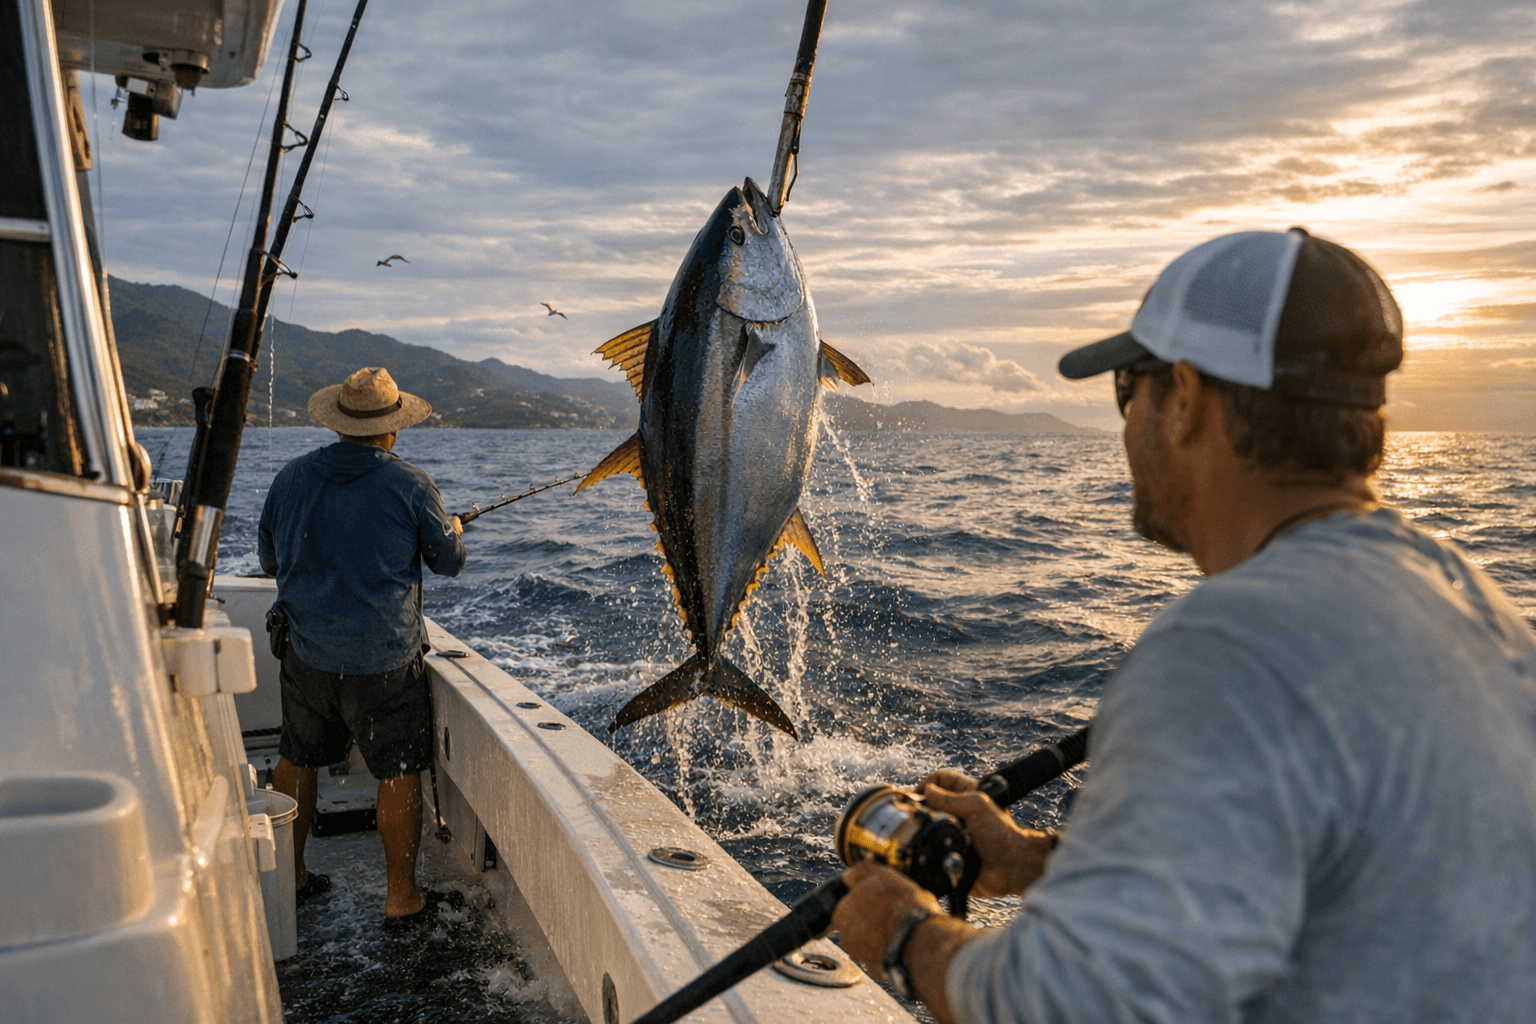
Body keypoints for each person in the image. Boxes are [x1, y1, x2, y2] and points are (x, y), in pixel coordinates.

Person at [832, 228, 1536, 1022]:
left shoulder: (1230, 646)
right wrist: (1035, 861)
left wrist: (903, 934)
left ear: (1189, 400)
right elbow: (1354, 882)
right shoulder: (1474, 605)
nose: (1125, 426)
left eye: (1127, 390)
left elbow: (1075, 1007)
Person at [259, 366, 467, 921]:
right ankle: (401, 897)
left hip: (305, 656)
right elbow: (448, 562)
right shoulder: (411, 485)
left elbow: (268, 561)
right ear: (392, 428)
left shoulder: (290, 479)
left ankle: (293, 878)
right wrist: (455, 532)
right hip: (383, 664)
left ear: (341, 423)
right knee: (398, 770)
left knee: (295, 759)